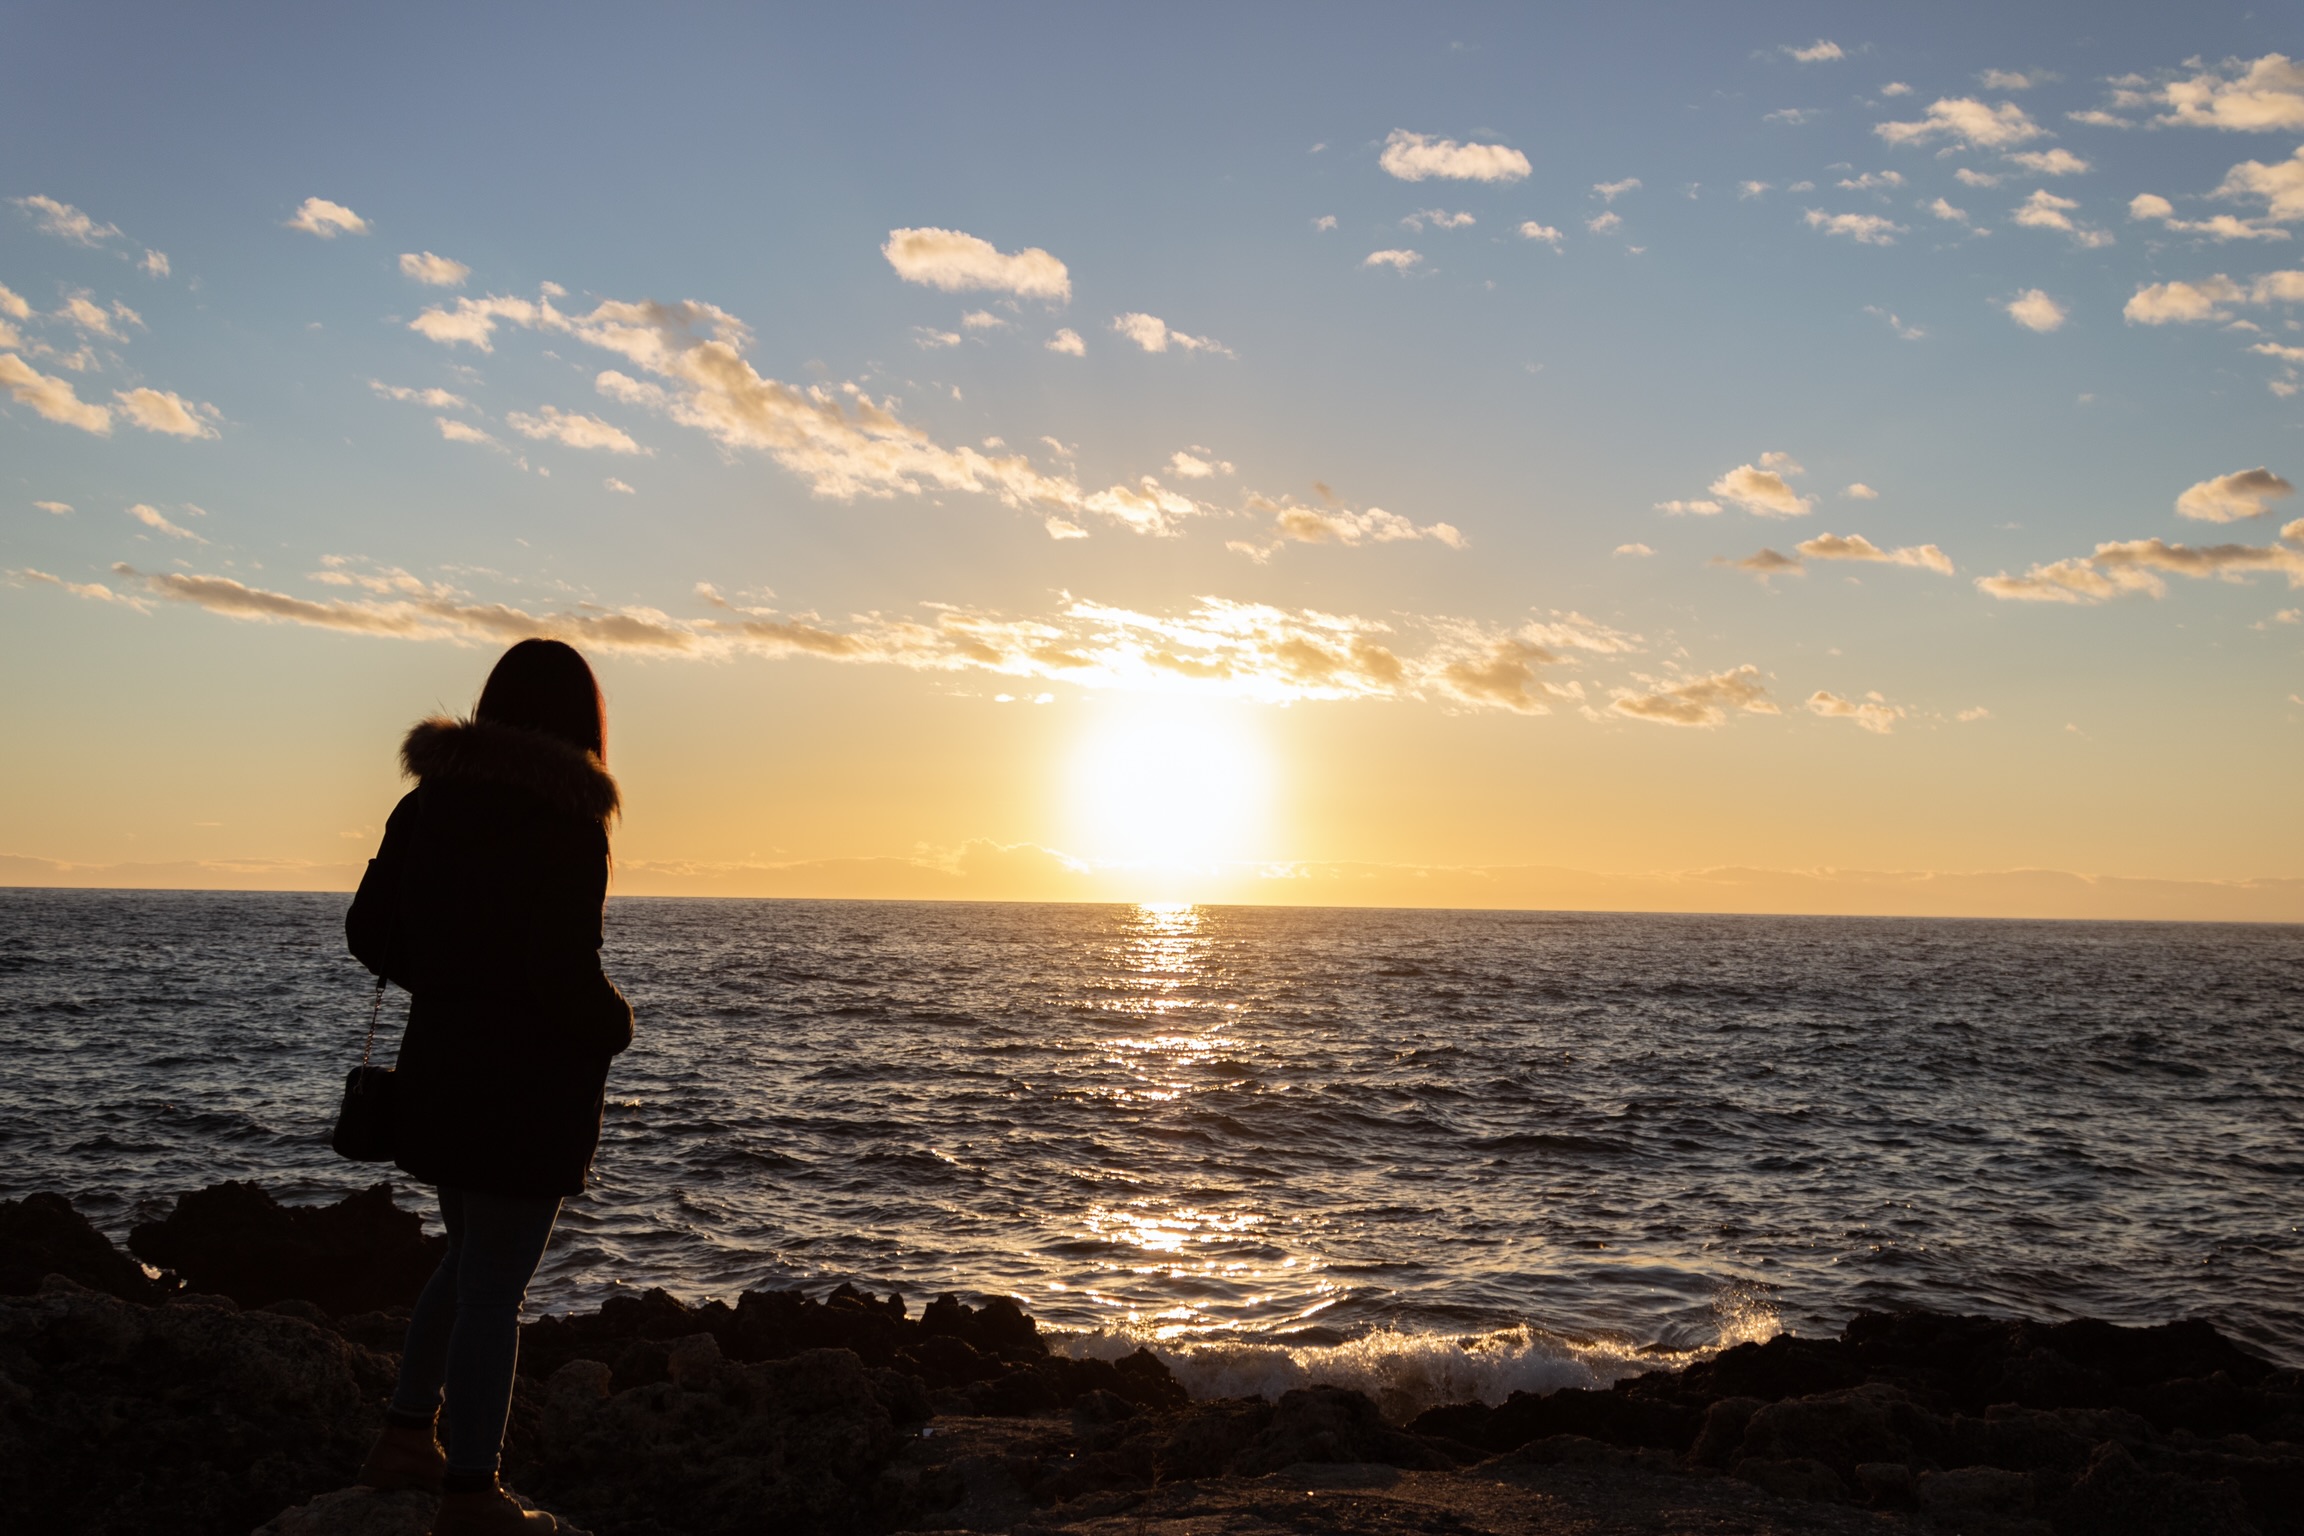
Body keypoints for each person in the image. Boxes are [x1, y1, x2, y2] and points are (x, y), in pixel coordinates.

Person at [346, 638, 634, 1536]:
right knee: (493, 1291)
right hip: (528, 1087)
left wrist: (451, 982)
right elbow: (563, 973)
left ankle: (403, 1439)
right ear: (582, 722)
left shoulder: (427, 803)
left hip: (440, 1067)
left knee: (469, 1265)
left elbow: (368, 931)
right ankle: (472, 1495)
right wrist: (612, 1024)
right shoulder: (567, 819)